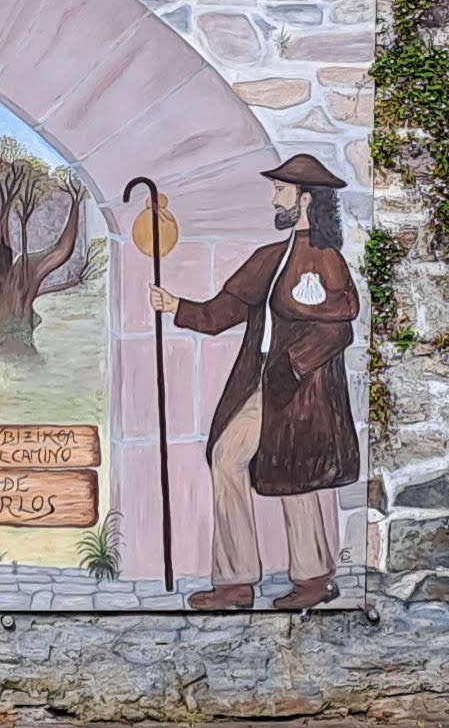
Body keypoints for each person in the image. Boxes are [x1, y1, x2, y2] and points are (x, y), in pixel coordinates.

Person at [152, 154, 361, 612]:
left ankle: (313, 578)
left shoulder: (326, 261)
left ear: (306, 200)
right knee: (228, 457)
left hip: (304, 392)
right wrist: (176, 306)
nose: (274, 199)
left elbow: (338, 330)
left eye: (282, 191)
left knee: (296, 475)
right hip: (264, 382)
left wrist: (293, 367)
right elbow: (222, 312)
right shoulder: (272, 257)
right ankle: (236, 581)